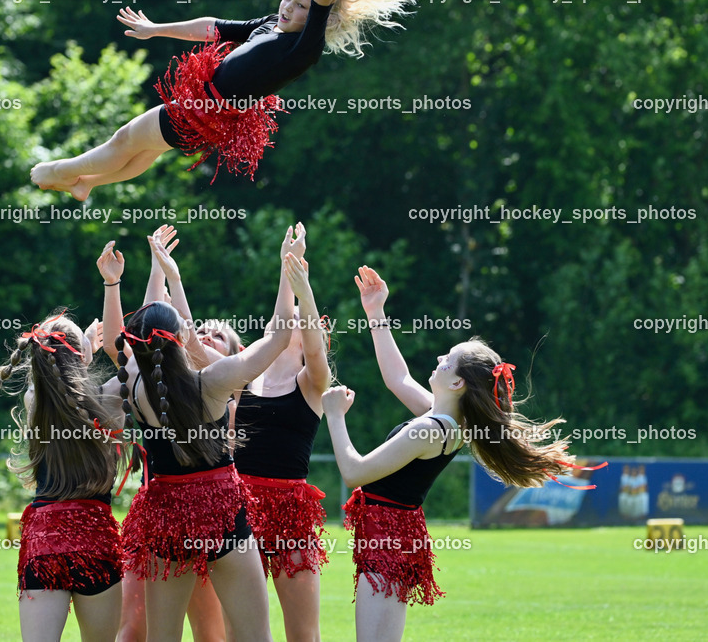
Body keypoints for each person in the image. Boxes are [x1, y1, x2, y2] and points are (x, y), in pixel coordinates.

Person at [322, 265, 604, 642]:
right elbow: (397, 378)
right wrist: (376, 312)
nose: (439, 357)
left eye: (447, 360)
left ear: (456, 382)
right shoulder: (447, 424)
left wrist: (335, 416)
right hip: (391, 535)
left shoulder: (429, 429)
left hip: (387, 539)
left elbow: (354, 473)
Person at [31, 0, 414, 199]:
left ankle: (59, 171)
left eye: (300, 6)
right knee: (144, 151)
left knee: (125, 140)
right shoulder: (269, 25)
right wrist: (156, 28)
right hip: (206, 116)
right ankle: (88, 183)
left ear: (320, 17)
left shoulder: (304, 46)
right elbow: (212, 27)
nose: (288, 8)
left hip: (201, 111)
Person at [107, 226, 308, 642]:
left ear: (137, 344)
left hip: (166, 517)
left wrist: (158, 277)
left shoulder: (133, 385)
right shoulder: (214, 381)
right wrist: (288, 274)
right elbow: (279, 336)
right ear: (183, 336)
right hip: (222, 514)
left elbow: (143, 334)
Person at [0, 310, 128, 642]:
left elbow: (55, 379)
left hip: (45, 539)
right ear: (79, 355)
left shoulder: (34, 401)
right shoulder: (108, 400)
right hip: (94, 537)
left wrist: (79, 348)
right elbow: (125, 368)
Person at [101, 229, 228, 642]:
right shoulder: (152, 377)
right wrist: (155, 267)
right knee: (135, 626)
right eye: (203, 331)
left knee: (210, 630)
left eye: (220, 337)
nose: (208, 337)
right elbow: (139, 337)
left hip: (211, 513)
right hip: (158, 512)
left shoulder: (218, 382)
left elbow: (180, 340)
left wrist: (164, 278)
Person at [232, 222, 332, 642]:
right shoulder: (244, 379)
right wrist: (284, 268)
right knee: (242, 632)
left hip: (291, 510)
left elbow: (310, 345)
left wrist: (302, 283)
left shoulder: (313, 382)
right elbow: (280, 320)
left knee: (302, 634)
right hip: (239, 509)